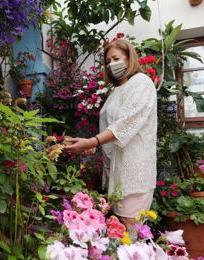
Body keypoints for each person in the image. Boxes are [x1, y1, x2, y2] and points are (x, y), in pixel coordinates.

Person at [64, 39, 157, 231]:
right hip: (117, 168)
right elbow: (111, 126)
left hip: (135, 168)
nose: (111, 64)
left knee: (132, 228)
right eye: (108, 61)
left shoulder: (142, 83)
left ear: (129, 58)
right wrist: (93, 145)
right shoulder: (116, 90)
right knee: (121, 228)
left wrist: (93, 140)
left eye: (116, 58)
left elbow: (127, 122)